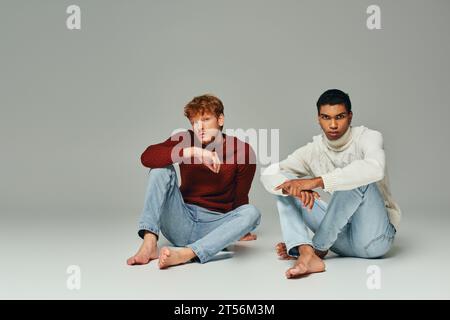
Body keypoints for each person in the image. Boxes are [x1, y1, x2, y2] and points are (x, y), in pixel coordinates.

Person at [260, 89, 401, 279]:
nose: (333, 124)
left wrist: (317, 181)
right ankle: (305, 250)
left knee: (358, 177)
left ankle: (315, 249)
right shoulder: (314, 150)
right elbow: (268, 173)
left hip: (374, 239)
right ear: (318, 118)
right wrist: (295, 189)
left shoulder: (368, 137)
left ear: (350, 117)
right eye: (326, 117)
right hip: (337, 239)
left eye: (340, 117)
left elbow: (374, 168)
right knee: (284, 182)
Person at [127, 94, 261, 269]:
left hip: (214, 227)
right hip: (181, 218)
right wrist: (193, 152)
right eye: (194, 122)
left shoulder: (242, 151)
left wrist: (240, 228)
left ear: (220, 119)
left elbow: (241, 196)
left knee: (252, 213)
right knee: (160, 169)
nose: (200, 127)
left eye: (206, 119)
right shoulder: (185, 139)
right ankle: (150, 242)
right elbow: (147, 157)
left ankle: (188, 253)